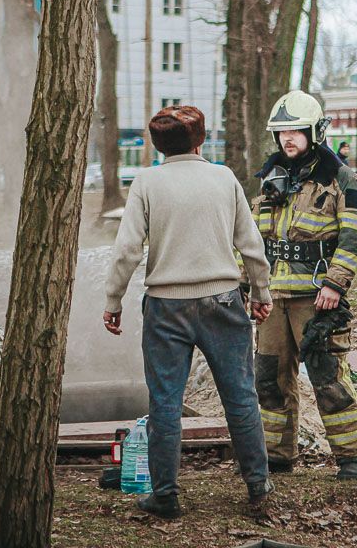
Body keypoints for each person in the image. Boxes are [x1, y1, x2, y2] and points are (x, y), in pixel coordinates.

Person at [104, 106, 274, 520]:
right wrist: (261, 291)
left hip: (166, 307)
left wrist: (112, 301)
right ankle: (258, 487)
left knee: (165, 402)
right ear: (200, 141)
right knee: (240, 397)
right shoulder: (223, 177)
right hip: (223, 300)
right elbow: (250, 242)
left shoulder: (146, 182)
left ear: (158, 144)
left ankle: (166, 495)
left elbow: (127, 250)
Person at [251, 90, 357, 480]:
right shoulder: (271, 179)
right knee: (269, 379)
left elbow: (355, 238)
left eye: (295, 131)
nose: (287, 138)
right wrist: (249, 286)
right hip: (273, 299)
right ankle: (277, 454)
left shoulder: (343, 180)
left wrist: (335, 285)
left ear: (314, 132)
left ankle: (351, 457)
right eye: (282, 132)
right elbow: (254, 240)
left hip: (318, 300)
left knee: (327, 377)